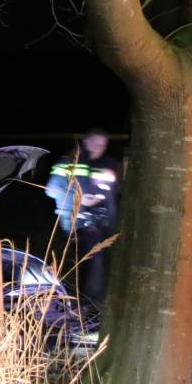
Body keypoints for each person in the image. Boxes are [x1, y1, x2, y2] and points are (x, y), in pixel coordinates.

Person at [45, 128, 120, 313]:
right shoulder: (68, 162)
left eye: (102, 144)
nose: (98, 147)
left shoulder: (107, 163)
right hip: (76, 222)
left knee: (94, 264)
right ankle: (88, 306)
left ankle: (88, 302)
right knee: (93, 262)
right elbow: (52, 189)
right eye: (94, 142)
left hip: (103, 222)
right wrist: (80, 198)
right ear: (85, 142)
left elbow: (111, 191)